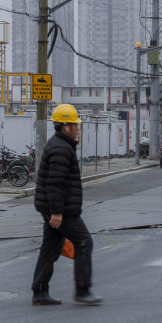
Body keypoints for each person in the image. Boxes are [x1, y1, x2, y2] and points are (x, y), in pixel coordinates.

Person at [31, 104, 102, 306]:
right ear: (65, 127)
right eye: (74, 125)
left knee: (51, 248)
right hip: (61, 210)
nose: (77, 128)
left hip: (56, 208)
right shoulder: (61, 148)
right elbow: (55, 183)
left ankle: (40, 291)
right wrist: (57, 212)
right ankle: (83, 290)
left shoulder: (60, 145)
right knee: (83, 242)